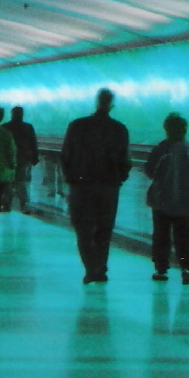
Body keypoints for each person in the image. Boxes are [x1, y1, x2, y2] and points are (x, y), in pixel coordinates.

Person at [60, 88, 131, 284]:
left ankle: (92, 268)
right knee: (104, 229)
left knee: (83, 229)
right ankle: (100, 267)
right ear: (112, 104)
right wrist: (119, 178)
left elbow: (65, 155)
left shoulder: (77, 126)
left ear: (96, 102)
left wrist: (71, 178)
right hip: (109, 187)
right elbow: (125, 161)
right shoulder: (119, 129)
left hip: (81, 186)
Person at [144, 113, 189, 285]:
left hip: (162, 200)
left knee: (161, 235)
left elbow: (150, 171)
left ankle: (161, 269)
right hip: (187, 202)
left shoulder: (161, 149)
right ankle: (186, 269)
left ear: (166, 129)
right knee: (185, 237)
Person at [5, 106, 39, 214]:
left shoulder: (5, 127)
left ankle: (7, 204)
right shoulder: (28, 127)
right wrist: (34, 157)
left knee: (8, 182)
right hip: (23, 158)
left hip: (8, 159)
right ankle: (24, 204)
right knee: (21, 182)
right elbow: (33, 143)